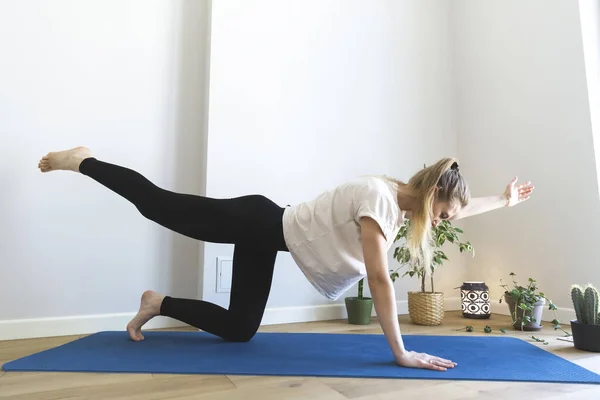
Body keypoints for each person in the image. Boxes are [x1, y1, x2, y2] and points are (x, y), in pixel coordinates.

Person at [37, 146, 534, 372]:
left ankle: (157, 301)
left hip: (268, 236)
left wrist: (505, 200)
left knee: (239, 329)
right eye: (443, 213)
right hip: (255, 221)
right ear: (431, 196)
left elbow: (461, 213)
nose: (444, 222)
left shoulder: (402, 203)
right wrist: (401, 352)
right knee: (157, 205)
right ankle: (82, 160)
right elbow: (381, 282)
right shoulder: (379, 201)